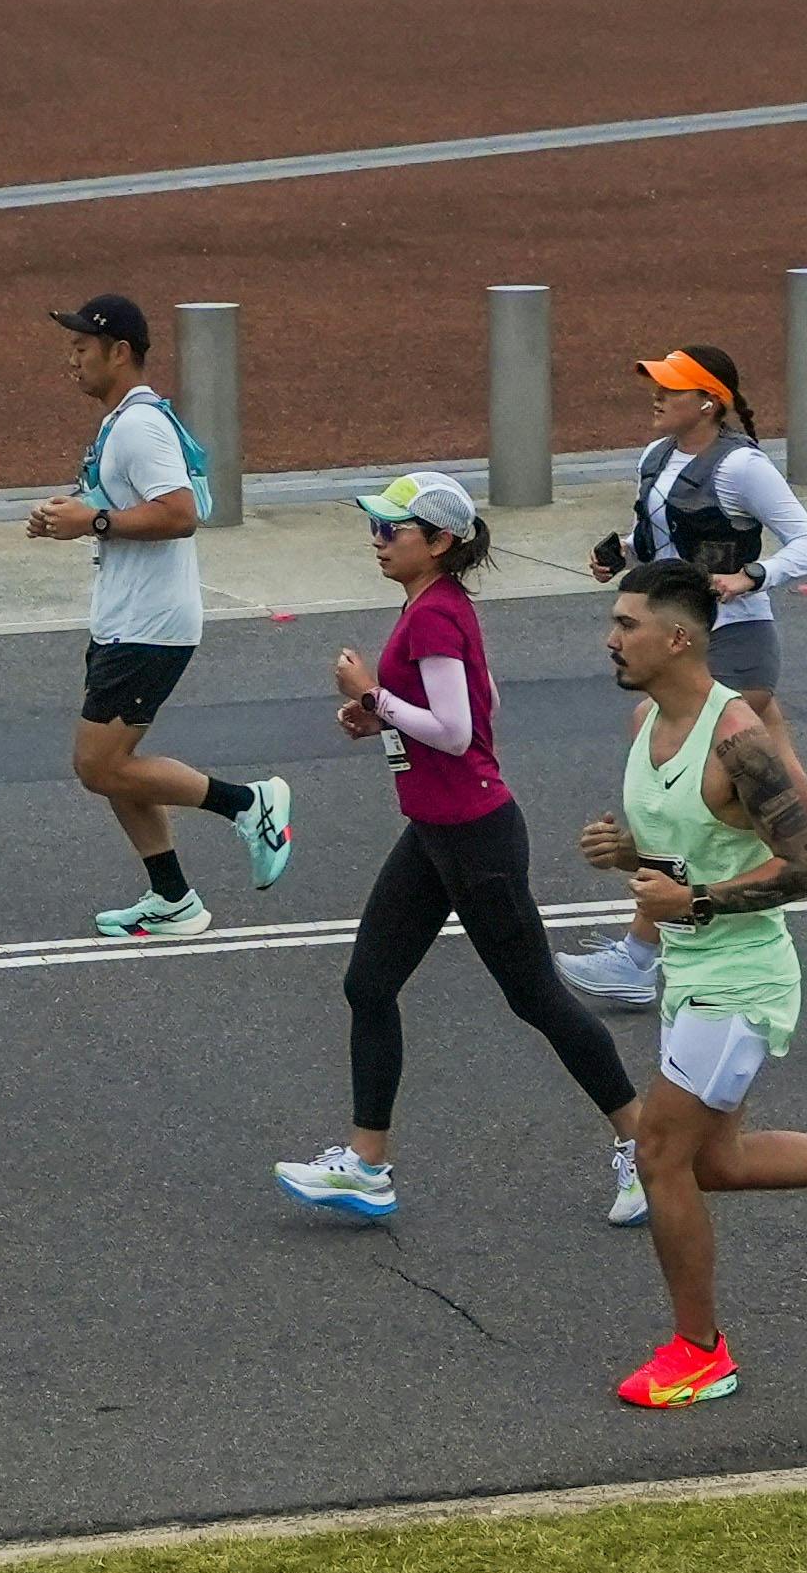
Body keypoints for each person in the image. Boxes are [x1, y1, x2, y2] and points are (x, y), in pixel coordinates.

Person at [578, 562, 807, 1408]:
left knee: (659, 1154)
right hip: (690, 972)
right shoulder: (646, 722)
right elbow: (689, 856)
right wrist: (632, 860)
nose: (611, 638)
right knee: (717, 1163)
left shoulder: (737, 741)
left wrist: (696, 900)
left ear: (678, 638)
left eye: (626, 624)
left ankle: (701, 1351)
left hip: (743, 981)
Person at [274, 471, 646, 1226]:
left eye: (392, 531)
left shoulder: (434, 615)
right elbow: (484, 705)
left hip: (474, 838)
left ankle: (645, 1147)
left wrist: (376, 696)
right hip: (438, 832)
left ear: (438, 542)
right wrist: (386, 720)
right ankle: (367, 1165)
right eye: (375, 528)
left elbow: (454, 729)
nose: (377, 541)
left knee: (536, 995)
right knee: (369, 984)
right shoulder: (435, 607)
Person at [555, 347, 807, 1004]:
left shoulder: (742, 468)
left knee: (679, 775)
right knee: (785, 788)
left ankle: (641, 956)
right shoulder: (655, 458)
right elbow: (657, 539)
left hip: (738, 641)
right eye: (655, 386)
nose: (655, 396)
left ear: (708, 401)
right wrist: (616, 553)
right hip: (687, 636)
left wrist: (753, 575)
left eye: (670, 389)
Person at [29, 296, 274, 939]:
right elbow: (124, 507)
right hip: (125, 619)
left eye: (82, 348)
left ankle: (248, 804)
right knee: (113, 764)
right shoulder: (122, 423)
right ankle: (172, 899)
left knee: (99, 765)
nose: (71, 361)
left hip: (149, 627)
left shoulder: (140, 426)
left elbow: (180, 512)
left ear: (120, 352)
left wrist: (97, 520)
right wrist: (73, 517)